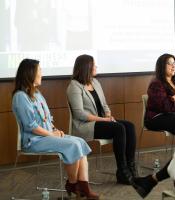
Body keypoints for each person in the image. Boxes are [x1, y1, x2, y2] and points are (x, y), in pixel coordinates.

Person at [12, 59, 99, 199]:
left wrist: (55, 130)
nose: (41, 74)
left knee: (80, 142)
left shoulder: (37, 94)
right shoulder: (20, 97)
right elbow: (32, 126)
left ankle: (84, 187)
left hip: (46, 136)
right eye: (39, 70)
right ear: (30, 73)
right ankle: (72, 184)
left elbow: (46, 118)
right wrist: (52, 135)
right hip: (34, 140)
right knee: (73, 144)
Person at [66, 54, 137, 185]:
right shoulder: (74, 86)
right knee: (119, 128)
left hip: (101, 121)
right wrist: (103, 120)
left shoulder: (95, 82)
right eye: (94, 65)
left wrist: (108, 115)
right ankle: (122, 170)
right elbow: (79, 114)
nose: (96, 67)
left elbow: (104, 104)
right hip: (85, 125)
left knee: (129, 126)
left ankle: (131, 167)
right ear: (87, 67)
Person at [145, 53, 175, 140]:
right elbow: (165, 106)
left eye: (174, 63)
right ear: (162, 66)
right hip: (157, 117)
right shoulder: (156, 84)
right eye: (170, 63)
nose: (173, 66)